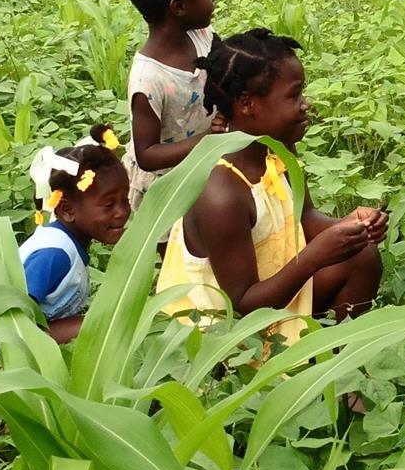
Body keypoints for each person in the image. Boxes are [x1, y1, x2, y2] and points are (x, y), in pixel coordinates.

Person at [156, 27, 386, 341]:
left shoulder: (277, 148)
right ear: (247, 103)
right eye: (294, 95)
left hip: (270, 292)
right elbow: (244, 305)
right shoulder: (220, 191)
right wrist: (313, 257)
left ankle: (335, 358)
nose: (305, 104)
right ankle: (298, 360)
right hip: (223, 332)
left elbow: (304, 216)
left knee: (362, 256)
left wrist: (349, 227)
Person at [0, 129, 132, 353]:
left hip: (20, 343)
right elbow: (14, 320)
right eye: (109, 205)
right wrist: (85, 325)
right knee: (100, 325)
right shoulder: (54, 254)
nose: (122, 212)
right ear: (67, 210)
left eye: (125, 200)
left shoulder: (68, 244)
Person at [124, 0, 227, 213]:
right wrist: (207, 139)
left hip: (201, 169)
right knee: (177, 242)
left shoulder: (203, 37)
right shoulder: (149, 80)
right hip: (164, 191)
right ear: (179, 7)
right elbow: (147, 155)